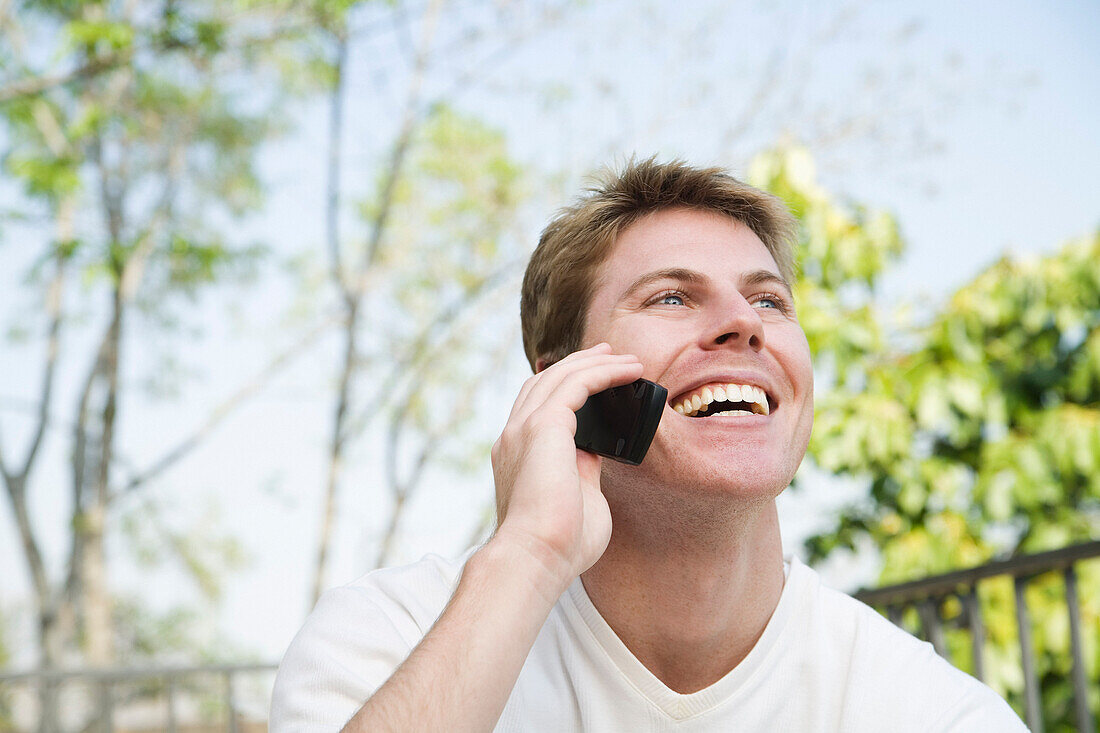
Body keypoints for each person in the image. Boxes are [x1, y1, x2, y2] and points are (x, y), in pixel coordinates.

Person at [270, 159, 1026, 731]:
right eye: (671, 295)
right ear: (566, 381)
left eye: (769, 298)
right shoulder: (390, 640)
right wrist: (529, 553)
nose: (745, 323)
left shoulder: (927, 708)